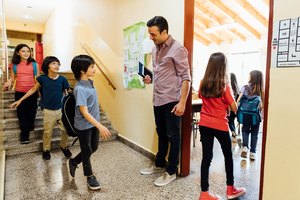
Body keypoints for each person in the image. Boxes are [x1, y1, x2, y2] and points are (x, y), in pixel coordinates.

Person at [140, 16, 191, 187]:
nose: (151, 38)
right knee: (161, 133)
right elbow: (162, 74)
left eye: (153, 34)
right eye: (150, 34)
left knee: (173, 136)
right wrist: (150, 79)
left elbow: (186, 78)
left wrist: (182, 102)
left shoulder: (178, 49)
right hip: (158, 99)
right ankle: (159, 164)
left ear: (164, 32)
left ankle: (171, 171)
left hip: (172, 100)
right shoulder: (155, 50)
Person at [198, 52, 246, 200]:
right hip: (220, 125)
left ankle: (204, 193)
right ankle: (230, 189)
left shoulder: (203, 82)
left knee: (206, 157)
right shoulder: (224, 86)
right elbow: (234, 107)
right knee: (228, 156)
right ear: (223, 67)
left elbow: (201, 96)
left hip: (204, 123)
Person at [9, 56, 72, 160]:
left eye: (58, 64)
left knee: (66, 130)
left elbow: (68, 91)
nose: (57, 65)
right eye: (54, 63)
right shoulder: (42, 79)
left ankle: (64, 146)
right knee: (47, 133)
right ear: (47, 66)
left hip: (61, 110)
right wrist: (19, 100)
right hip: (48, 111)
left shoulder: (62, 79)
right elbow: (33, 90)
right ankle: (46, 150)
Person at [68, 55, 111, 191]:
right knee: (87, 150)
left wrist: (97, 124)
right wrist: (101, 126)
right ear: (82, 70)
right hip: (84, 125)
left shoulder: (90, 83)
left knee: (94, 147)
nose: (94, 69)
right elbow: (84, 112)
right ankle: (89, 176)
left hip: (93, 123)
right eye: (92, 66)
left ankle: (74, 161)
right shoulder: (80, 89)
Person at [4, 44, 39, 144]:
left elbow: (38, 79)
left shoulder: (34, 64)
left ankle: (30, 125)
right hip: (19, 92)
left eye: (28, 51)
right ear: (17, 53)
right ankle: (24, 135)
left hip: (32, 92)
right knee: (21, 114)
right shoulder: (14, 65)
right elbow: (12, 77)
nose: (26, 53)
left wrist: (39, 91)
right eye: (23, 51)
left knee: (32, 112)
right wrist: (9, 82)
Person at [237, 70, 264, 161]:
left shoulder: (245, 87)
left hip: (245, 114)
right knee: (254, 133)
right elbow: (262, 106)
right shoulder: (261, 90)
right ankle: (252, 153)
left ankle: (245, 147)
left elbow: (238, 101)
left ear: (252, 77)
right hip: (255, 116)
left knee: (245, 130)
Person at [227, 73, 239, 143]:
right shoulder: (237, 89)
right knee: (231, 122)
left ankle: (233, 132)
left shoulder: (228, 88)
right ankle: (234, 135)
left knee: (229, 122)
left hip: (228, 109)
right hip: (235, 109)